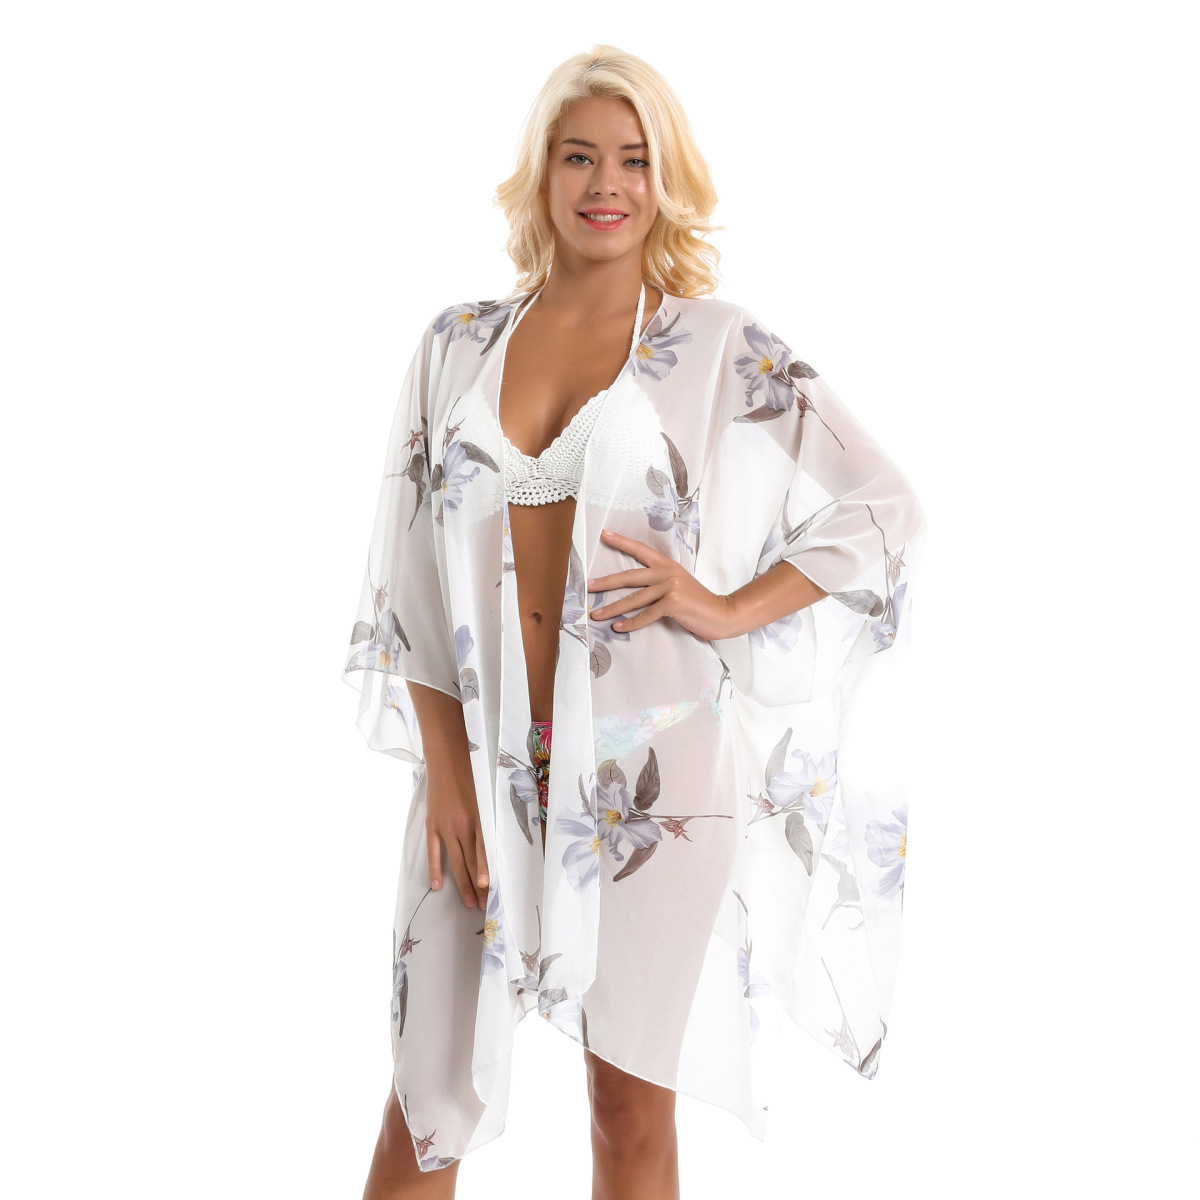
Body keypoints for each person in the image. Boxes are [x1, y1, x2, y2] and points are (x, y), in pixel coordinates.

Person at [345, 44, 927, 1200]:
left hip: (653, 773)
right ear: (541, 174)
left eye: (633, 159)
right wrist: (448, 779)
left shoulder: (715, 344)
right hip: (485, 765)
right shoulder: (455, 345)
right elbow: (410, 580)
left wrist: (727, 605)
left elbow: (886, 503)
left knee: (628, 1113)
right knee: (427, 1108)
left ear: (665, 180)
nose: (606, 183)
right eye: (579, 157)